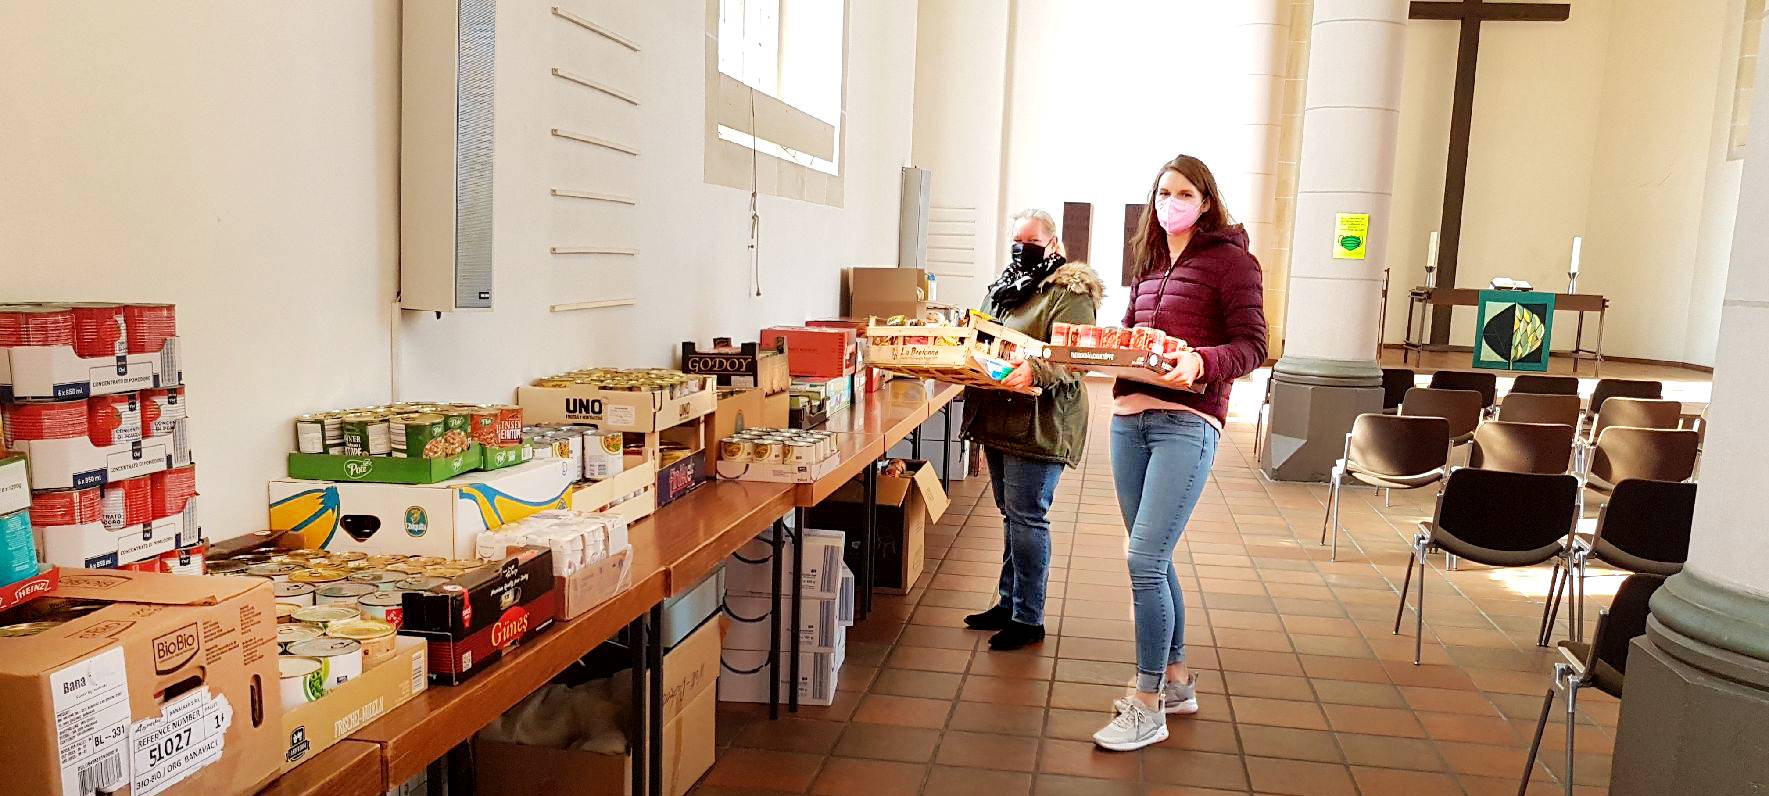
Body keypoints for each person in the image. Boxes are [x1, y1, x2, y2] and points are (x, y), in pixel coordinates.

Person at [1092, 155, 1267, 751]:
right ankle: (1176, 680)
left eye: (1183, 191)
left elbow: (1252, 345)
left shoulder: (1233, 263)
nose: (1170, 201)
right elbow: (1134, 327)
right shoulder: (1150, 263)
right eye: (1162, 192)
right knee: (1156, 557)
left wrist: (1202, 360)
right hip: (1127, 419)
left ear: (1207, 201)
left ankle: (1146, 704)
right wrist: (1112, 344)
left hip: (1187, 423)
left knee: (1142, 557)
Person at [959, 208, 1103, 651]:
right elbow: (982, 336)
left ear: (1053, 243)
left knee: (1027, 516)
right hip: (999, 415)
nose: (1023, 250)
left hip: (1040, 421)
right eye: (1017, 241)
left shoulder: (1068, 291)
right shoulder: (1003, 287)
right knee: (1012, 515)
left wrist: (1035, 371)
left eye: (1032, 243)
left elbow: (1074, 357)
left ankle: (1028, 617)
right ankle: (1008, 602)